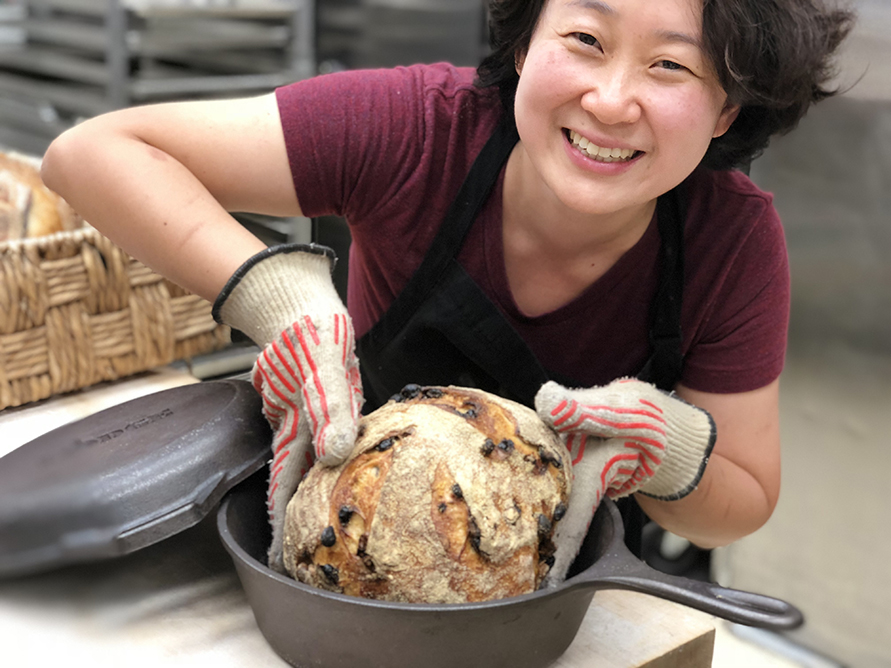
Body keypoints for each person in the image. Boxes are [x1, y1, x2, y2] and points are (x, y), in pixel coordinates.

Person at [40, 0, 854, 577]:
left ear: (725, 109)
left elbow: (743, 498)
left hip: (569, 582)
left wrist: (665, 447)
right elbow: (93, 153)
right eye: (583, 37)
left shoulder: (731, 240)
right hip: (342, 544)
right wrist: (281, 300)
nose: (608, 100)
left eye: (669, 65)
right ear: (526, 42)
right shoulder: (416, 130)